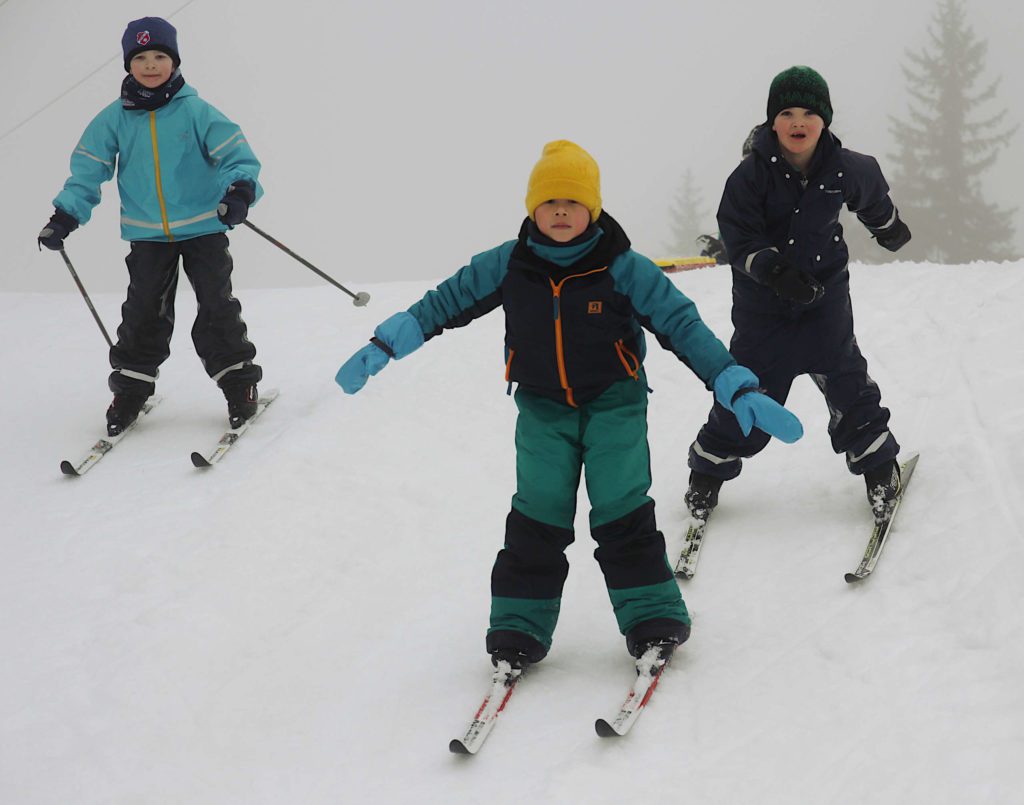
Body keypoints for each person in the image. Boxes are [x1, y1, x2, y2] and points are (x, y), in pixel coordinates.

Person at [336, 140, 803, 671]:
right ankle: (519, 624)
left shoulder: (623, 267)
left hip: (615, 403)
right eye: (550, 202)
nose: (561, 212)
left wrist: (733, 383)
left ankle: (652, 616)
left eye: (573, 202)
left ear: (593, 210)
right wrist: (387, 342)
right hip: (542, 407)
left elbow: (681, 323)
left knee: (621, 509)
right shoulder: (509, 264)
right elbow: (446, 301)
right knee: (537, 513)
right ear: (533, 208)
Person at [685, 66, 912, 525]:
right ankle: (708, 470)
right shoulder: (749, 177)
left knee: (845, 376)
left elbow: (870, 192)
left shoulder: (844, 167)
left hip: (824, 298)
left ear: (824, 120)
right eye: (787, 113)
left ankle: (877, 464)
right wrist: (773, 270)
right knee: (750, 389)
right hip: (763, 308)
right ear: (773, 121)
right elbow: (739, 237)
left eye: (809, 113)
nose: (798, 122)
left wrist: (887, 226)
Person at [38, 17, 264, 435]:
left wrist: (239, 192)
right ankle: (131, 390)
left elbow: (236, 154)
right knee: (143, 311)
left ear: (174, 61)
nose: (151, 65)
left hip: (203, 227)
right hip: (147, 234)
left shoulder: (196, 111)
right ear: (128, 64)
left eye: (160, 56)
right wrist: (64, 217)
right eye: (140, 58)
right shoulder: (115, 119)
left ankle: (239, 384)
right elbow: (88, 170)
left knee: (216, 305)